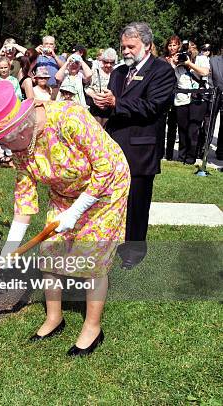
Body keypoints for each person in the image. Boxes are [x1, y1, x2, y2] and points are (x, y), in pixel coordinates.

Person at [0, 80, 130, 357]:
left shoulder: (69, 117)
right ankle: (54, 318)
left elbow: (106, 167)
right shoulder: (20, 148)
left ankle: (92, 327)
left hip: (106, 189)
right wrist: (9, 249)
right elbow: (24, 198)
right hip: (65, 193)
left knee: (92, 257)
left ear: (21, 125)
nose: (3, 146)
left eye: (4, 138)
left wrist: (78, 211)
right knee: (49, 254)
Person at [92, 22, 176, 269]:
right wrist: (99, 102)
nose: (125, 51)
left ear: (147, 45)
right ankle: (111, 244)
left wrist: (116, 103)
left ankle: (134, 252)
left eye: (131, 46)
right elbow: (109, 105)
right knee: (112, 200)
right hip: (114, 147)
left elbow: (154, 107)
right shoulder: (118, 72)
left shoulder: (161, 71)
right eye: (123, 46)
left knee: (137, 203)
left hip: (142, 148)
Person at [171, 41, 210, 164]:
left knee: (193, 129)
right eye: (185, 49)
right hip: (181, 98)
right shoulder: (179, 63)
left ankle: (190, 158)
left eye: (191, 48)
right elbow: (170, 78)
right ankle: (181, 157)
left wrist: (189, 63)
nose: (188, 51)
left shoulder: (201, 59)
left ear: (195, 49)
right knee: (182, 129)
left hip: (198, 98)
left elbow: (204, 72)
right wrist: (173, 64)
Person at [85, 48, 117, 126]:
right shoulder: (95, 72)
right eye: (106, 62)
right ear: (102, 61)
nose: (108, 65)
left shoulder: (117, 73)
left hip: (110, 109)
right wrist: (95, 96)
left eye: (111, 62)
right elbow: (87, 88)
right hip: (95, 108)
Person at [162, 35, 182, 160]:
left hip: (177, 95)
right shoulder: (162, 59)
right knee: (161, 124)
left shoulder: (183, 59)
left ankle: (169, 154)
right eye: (170, 45)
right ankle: (159, 152)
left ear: (178, 46)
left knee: (173, 126)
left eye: (174, 45)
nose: (172, 47)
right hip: (164, 95)